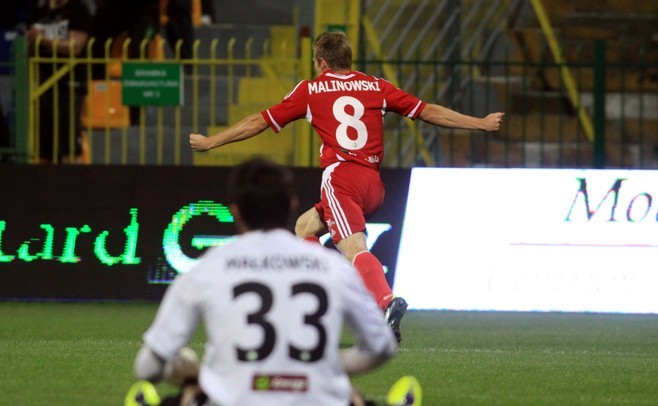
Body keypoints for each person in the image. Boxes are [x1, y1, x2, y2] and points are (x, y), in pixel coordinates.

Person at [189, 31, 506, 342]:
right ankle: (331, 293)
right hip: (373, 185)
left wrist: (212, 141)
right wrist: (479, 123)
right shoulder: (377, 86)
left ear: (322, 63)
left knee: (354, 249)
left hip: (341, 179)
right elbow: (428, 111)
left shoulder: (312, 90)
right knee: (304, 227)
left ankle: (385, 300)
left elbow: (259, 121)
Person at [131, 157, 398, 405]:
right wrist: (327, 366)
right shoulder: (333, 267)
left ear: (235, 212)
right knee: (349, 396)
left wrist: (198, 372)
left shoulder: (209, 267)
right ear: (292, 205)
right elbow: (382, 345)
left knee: (188, 391)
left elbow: (146, 367)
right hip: (312, 398)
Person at [26, 0, 92, 163]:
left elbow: (76, 47)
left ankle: (72, 185)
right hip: (41, 86)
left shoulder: (78, 10)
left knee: (68, 144)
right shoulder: (39, 11)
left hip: (68, 85)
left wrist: (43, 40)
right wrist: (29, 40)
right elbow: (29, 47)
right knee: (44, 146)